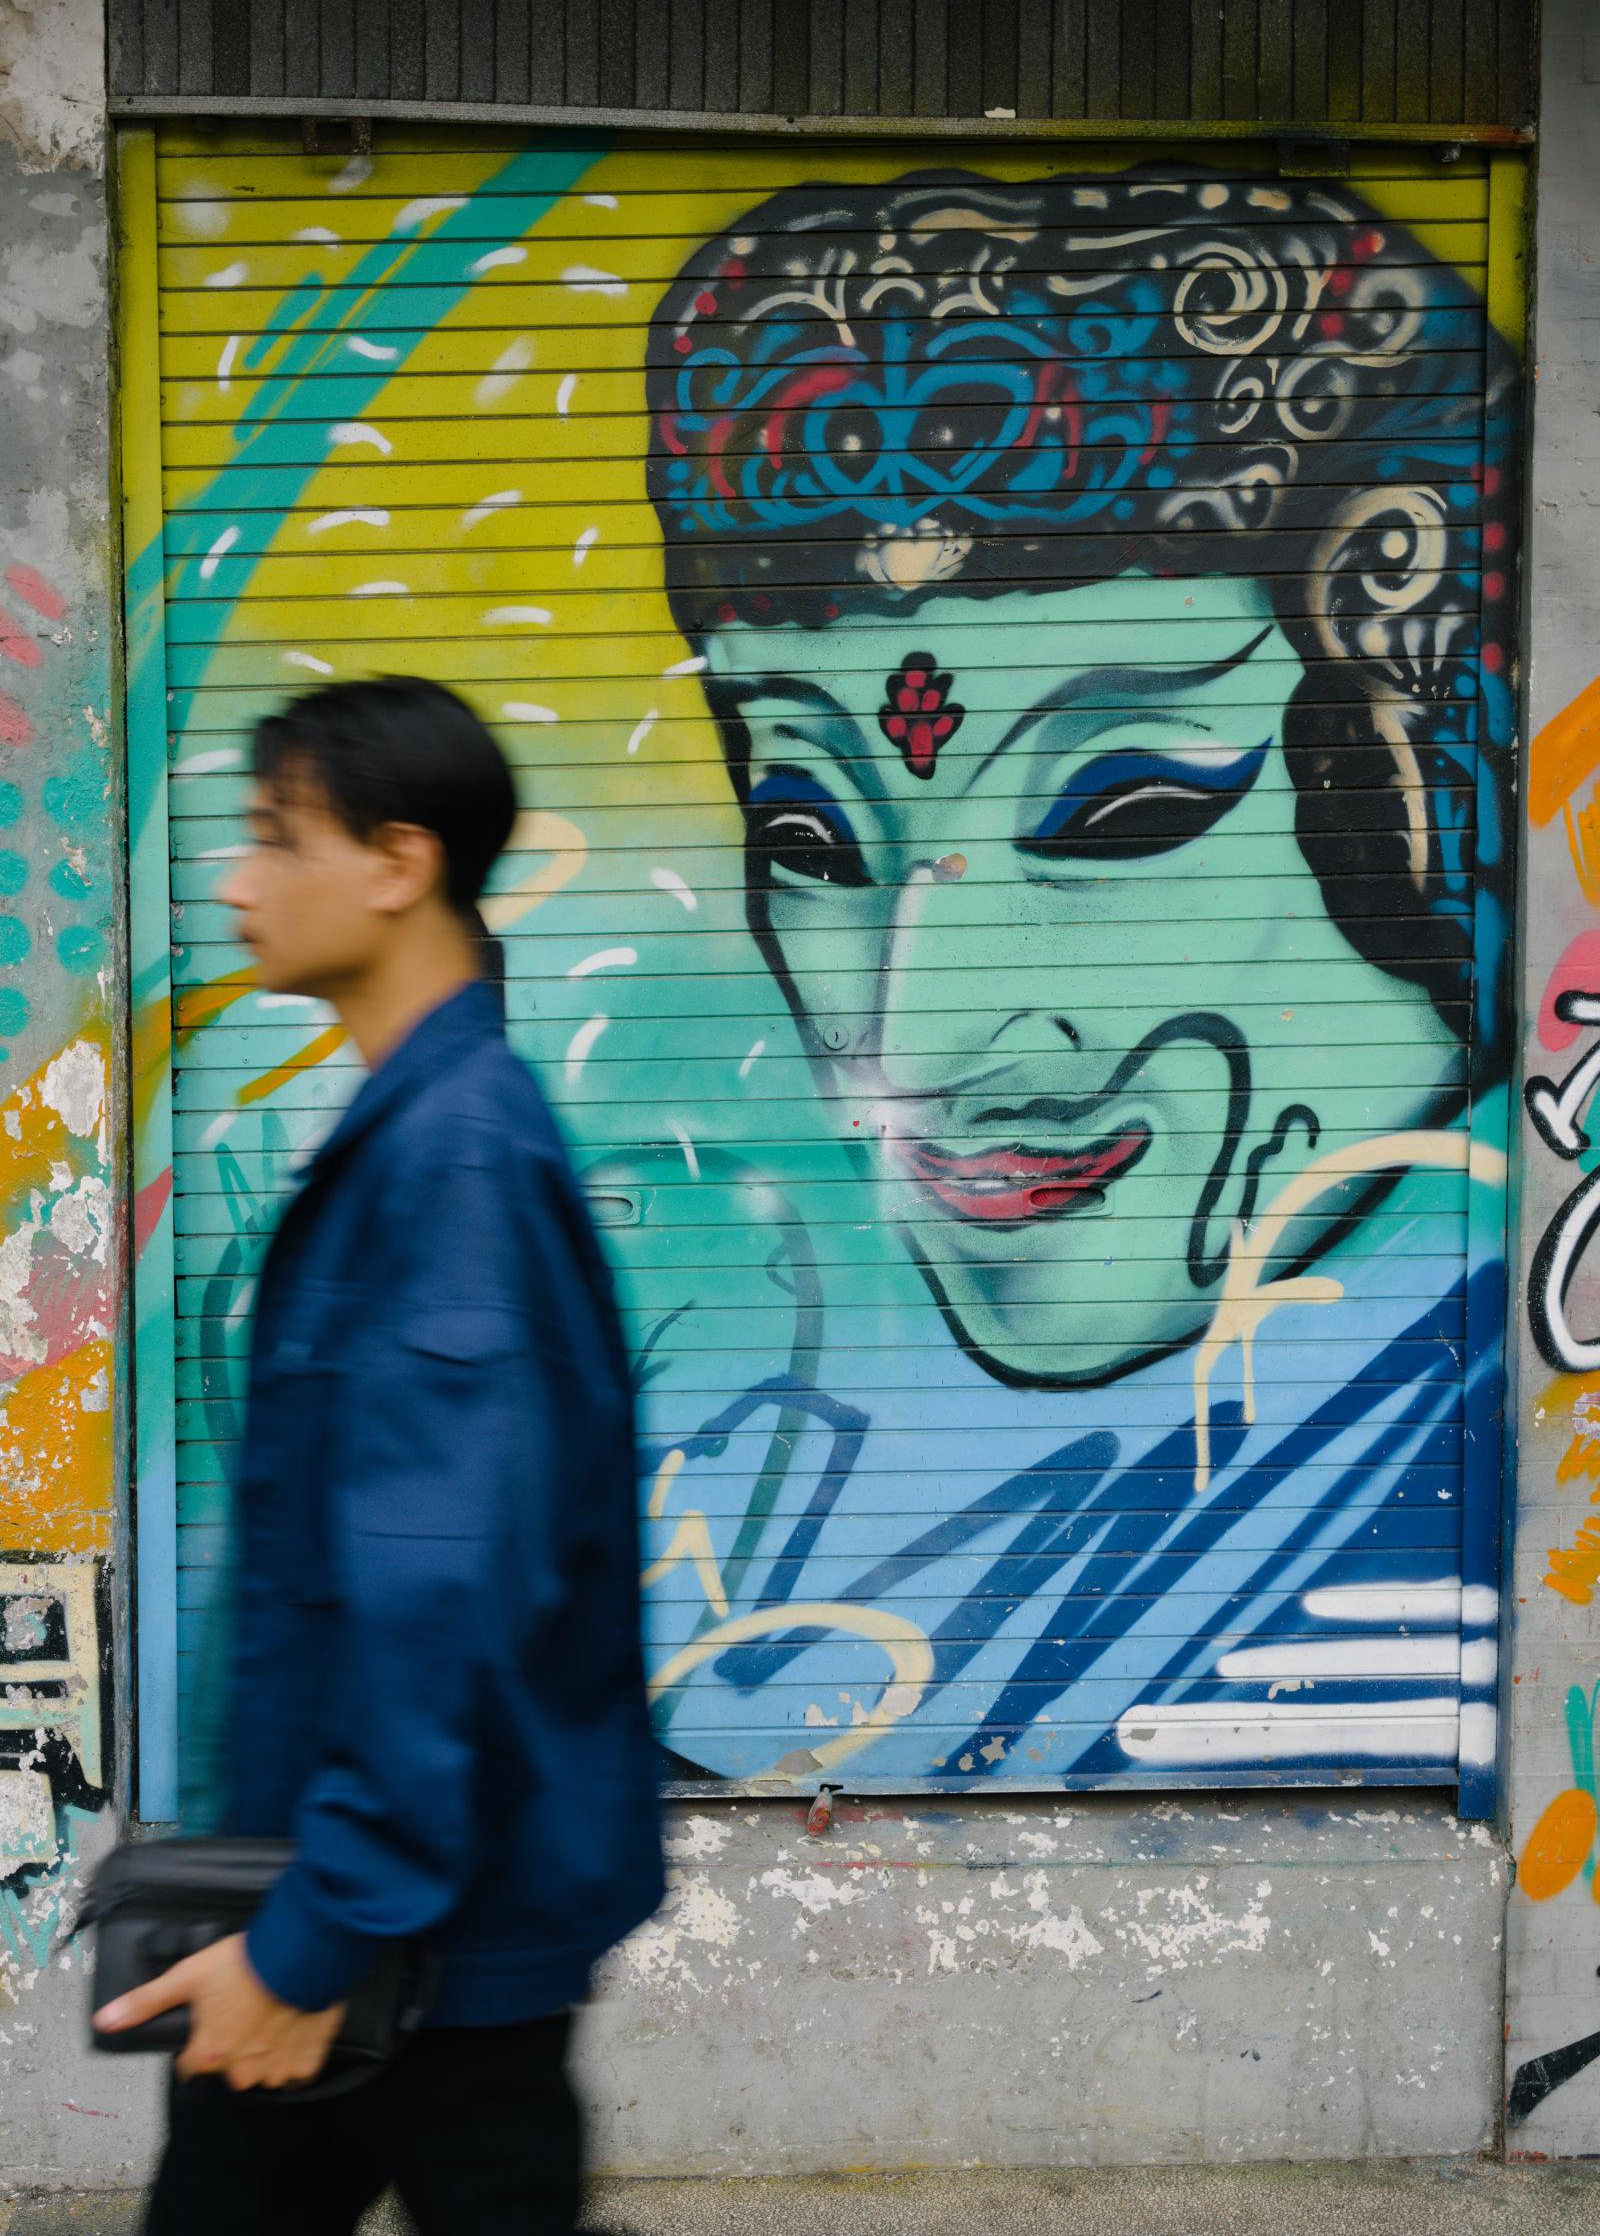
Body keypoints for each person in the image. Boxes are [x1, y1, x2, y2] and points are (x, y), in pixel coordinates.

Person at [628, 166, 1518, 1783]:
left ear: (1412, 772)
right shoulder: (764, 1472)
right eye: (812, 840)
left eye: (1121, 811)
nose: (922, 1038)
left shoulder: (1501, 1434)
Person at [97, 676, 664, 2234]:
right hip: (391, 1909)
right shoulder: (431, 1128)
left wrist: (308, 1943)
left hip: (392, 1937)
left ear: (400, 863)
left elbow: (445, 1594)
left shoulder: (454, 1160)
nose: (233, 879)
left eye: (277, 838)